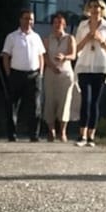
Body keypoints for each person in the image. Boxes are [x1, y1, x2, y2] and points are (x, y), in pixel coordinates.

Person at [73, 0, 106, 147]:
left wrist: (99, 39)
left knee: (94, 102)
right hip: (84, 66)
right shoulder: (83, 25)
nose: (95, 10)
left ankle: (91, 136)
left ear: (102, 9)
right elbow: (76, 47)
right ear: (88, 9)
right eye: (92, 6)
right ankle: (82, 135)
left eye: (97, 7)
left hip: (100, 66)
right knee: (86, 100)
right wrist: (87, 38)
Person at [1, 9, 45, 142]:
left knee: (35, 106)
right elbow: (6, 56)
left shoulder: (36, 37)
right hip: (16, 74)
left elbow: (41, 56)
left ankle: (34, 134)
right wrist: (8, 73)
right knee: (13, 105)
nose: (28, 21)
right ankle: (12, 134)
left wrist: (40, 73)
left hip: (34, 75)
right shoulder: (12, 37)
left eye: (31, 19)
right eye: (26, 18)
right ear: (20, 20)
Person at [42, 12, 76, 142]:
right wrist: (51, 66)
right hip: (51, 72)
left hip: (65, 74)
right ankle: (51, 130)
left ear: (64, 24)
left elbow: (73, 55)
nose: (58, 25)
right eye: (55, 22)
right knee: (50, 101)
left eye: (60, 23)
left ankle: (63, 131)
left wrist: (64, 57)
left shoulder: (70, 38)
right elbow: (44, 56)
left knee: (65, 102)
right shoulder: (47, 39)